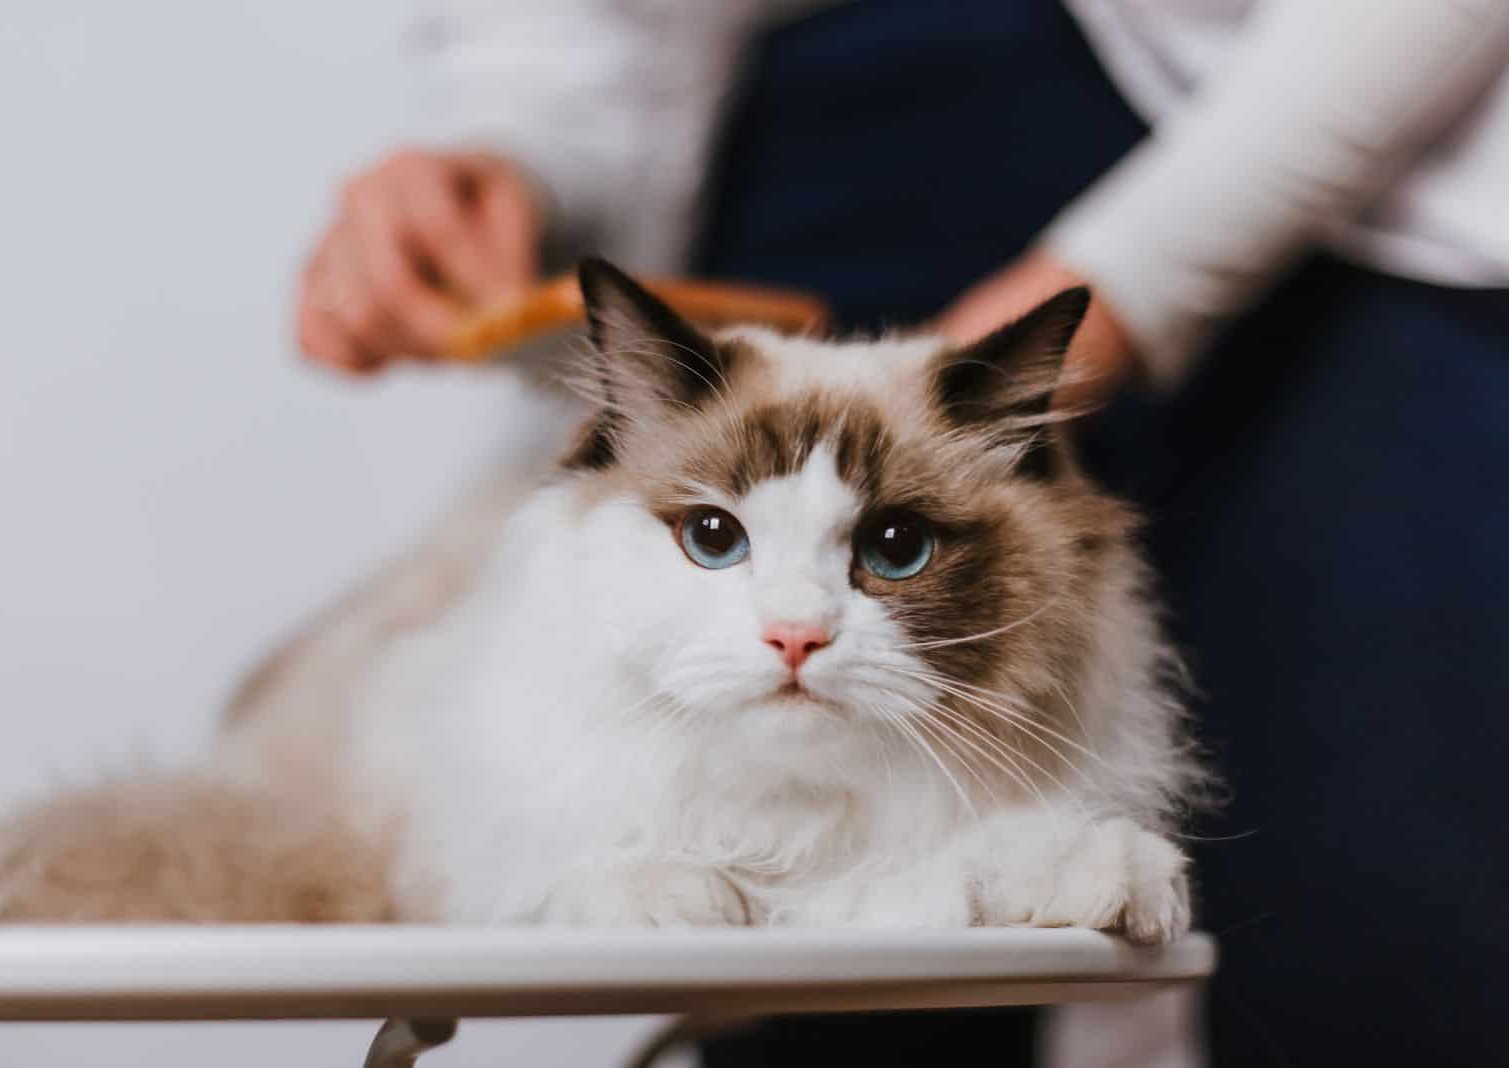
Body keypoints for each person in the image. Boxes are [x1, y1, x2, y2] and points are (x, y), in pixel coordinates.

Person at [294, 2, 1509, 1063]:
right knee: (810, 992)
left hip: (1397, 135)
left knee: (1387, 918)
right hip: (840, 100)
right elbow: (584, 28)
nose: (794, 628)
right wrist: (523, 156)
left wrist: (1125, 281)